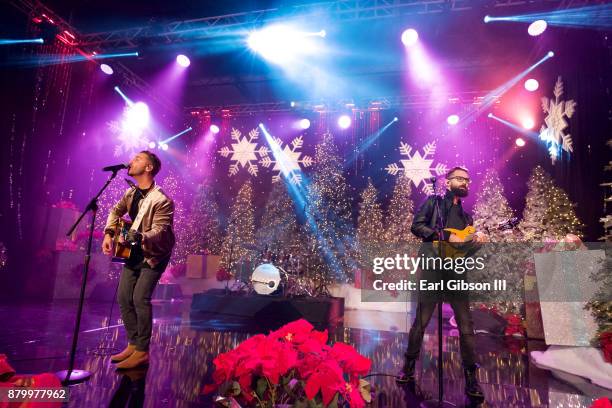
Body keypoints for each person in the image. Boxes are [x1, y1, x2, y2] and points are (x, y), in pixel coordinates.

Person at [397, 166, 487, 401]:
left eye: (468, 180)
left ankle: (471, 379)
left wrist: (476, 245)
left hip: (456, 274)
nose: (466, 183)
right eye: (460, 179)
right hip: (432, 271)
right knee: (421, 322)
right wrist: (445, 236)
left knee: (466, 327)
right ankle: (407, 368)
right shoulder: (433, 203)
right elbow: (416, 226)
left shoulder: (468, 218)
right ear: (448, 182)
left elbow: (464, 253)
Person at [102, 151, 175, 369]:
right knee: (124, 297)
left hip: (155, 254)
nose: (131, 161)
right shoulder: (131, 193)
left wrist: (142, 236)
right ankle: (133, 344)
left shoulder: (162, 200)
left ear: (149, 168)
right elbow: (115, 212)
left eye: (137, 159)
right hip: (133, 251)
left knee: (139, 298)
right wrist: (108, 233)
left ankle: (142, 351)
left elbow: (161, 229)